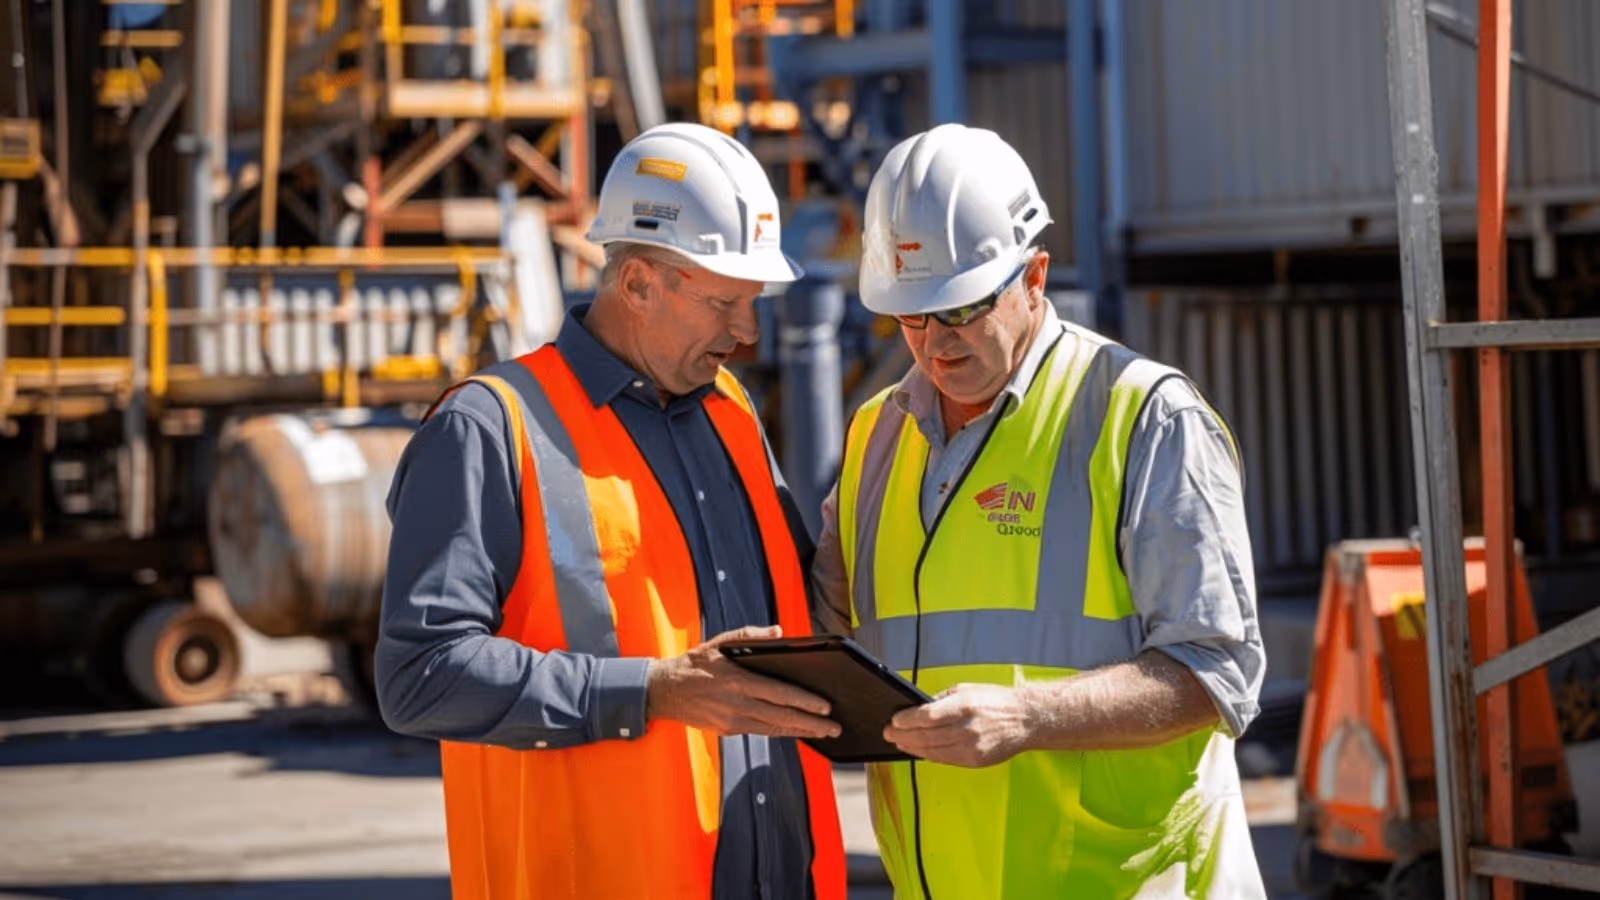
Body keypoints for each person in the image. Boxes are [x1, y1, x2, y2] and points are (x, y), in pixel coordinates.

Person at [376, 122, 847, 900]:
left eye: (755, 303)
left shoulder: (731, 412)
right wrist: (652, 690)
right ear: (636, 284)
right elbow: (419, 677)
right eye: (726, 303)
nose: (748, 333)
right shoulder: (489, 427)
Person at [811, 123, 1268, 898]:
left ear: (1035, 276)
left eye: (960, 309)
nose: (935, 343)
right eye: (911, 317)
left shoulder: (1141, 416)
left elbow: (1218, 670)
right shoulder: (876, 436)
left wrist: (1027, 716)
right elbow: (826, 633)